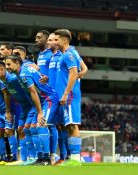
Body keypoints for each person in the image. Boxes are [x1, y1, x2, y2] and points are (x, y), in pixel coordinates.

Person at [5, 55, 59, 165]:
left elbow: (33, 92)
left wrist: (39, 113)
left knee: (41, 125)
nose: (7, 67)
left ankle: (47, 159)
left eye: (9, 64)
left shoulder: (24, 73)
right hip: (41, 101)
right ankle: (40, 157)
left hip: (48, 99)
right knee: (33, 128)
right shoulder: (22, 72)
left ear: (16, 62)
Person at [0, 60, 37, 165]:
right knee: (21, 130)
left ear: (2, 69)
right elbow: (7, 94)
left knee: (31, 130)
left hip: (31, 106)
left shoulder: (14, 78)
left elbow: (31, 85)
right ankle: (23, 159)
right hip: (23, 108)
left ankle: (40, 156)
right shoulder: (4, 81)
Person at [54, 29, 83, 166]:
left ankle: (76, 159)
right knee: (68, 126)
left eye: (57, 39)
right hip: (67, 95)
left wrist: (65, 93)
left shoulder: (68, 55)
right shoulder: (66, 54)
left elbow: (73, 74)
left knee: (72, 125)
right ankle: (73, 158)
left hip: (70, 95)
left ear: (64, 40)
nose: (55, 42)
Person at [35, 30, 59, 164]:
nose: (36, 40)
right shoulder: (40, 55)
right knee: (50, 126)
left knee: (49, 125)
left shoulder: (52, 54)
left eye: (39, 38)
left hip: (51, 94)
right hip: (42, 95)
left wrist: (49, 78)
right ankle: (50, 156)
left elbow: (55, 72)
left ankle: (53, 156)